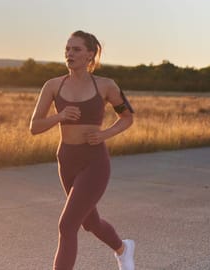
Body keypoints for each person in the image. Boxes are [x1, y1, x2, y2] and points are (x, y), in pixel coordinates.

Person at [29, 30, 135, 270]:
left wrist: (104, 134)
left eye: (76, 49)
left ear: (90, 54)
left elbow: (127, 117)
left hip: (94, 161)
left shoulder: (107, 86)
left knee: (67, 225)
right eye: (67, 49)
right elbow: (34, 127)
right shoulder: (53, 86)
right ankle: (123, 248)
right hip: (66, 159)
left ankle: (123, 249)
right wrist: (60, 116)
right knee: (90, 222)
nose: (69, 53)